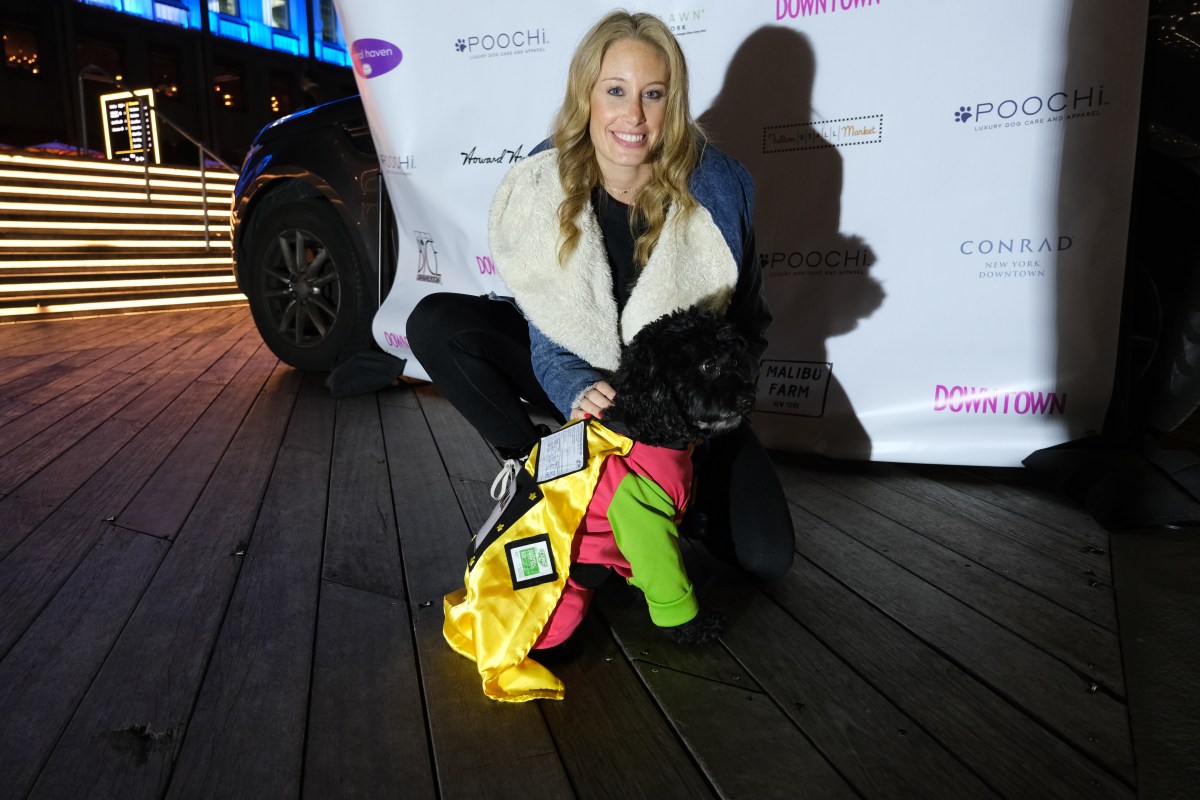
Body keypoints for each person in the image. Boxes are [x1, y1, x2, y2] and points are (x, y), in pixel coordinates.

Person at [408, 10, 794, 581]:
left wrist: (683, 423)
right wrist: (575, 387)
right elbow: (548, 330)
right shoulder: (543, 181)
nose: (633, 116)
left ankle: (665, 502)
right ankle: (539, 475)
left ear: (674, 103)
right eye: (616, 90)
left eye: (653, 94)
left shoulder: (718, 188)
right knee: (439, 321)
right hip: (591, 387)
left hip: (679, 409)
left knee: (766, 557)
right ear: (587, 95)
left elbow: (748, 326)